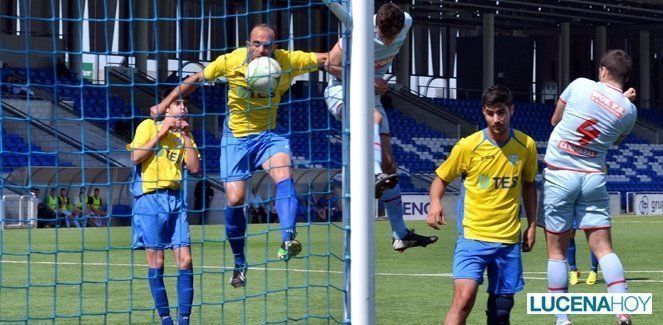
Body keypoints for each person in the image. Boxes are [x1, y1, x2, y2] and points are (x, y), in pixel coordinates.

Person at [151, 23, 328, 288]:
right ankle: (239, 263)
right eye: (257, 43)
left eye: (268, 44)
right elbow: (196, 79)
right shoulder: (231, 61)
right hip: (235, 135)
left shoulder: (287, 61)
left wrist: (350, 49)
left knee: (284, 173)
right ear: (248, 44)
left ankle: (288, 237)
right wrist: (165, 104)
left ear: (275, 45)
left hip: (268, 133)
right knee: (235, 198)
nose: (262, 49)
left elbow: (325, 59)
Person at [324, 3, 438, 252]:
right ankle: (373, 174)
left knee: (390, 166)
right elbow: (330, 66)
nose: (388, 43)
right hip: (341, 91)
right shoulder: (358, 30)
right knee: (372, 118)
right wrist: (367, 79)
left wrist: (372, 84)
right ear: (376, 26)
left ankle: (401, 234)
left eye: (393, 37)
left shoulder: (406, 20)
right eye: (384, 36)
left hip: (371, 92)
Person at [539, 49, 637, 325]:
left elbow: (555, 120)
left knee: (557, 251)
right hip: (593, 176)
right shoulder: (629, 110)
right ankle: (622, 311)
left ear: (604, 70)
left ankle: (562, 319)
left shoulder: (580, 85)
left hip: (560, 174)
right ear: (626, 77)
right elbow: (614, 141)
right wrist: (622, 102)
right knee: (604, 248)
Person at [427, 85, 538, 325]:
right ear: (483, 113)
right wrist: (435, 202)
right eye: (490, 113)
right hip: (473, 237)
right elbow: (441, 179)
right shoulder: (468, 146)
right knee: (464, 299)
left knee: (501, 312)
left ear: (512, 110)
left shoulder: (526, 145)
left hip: (508, 240)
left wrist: (531, 225)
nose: (496, 119)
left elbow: (529, 185)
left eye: (501, 112)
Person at [127, 98, 200, 325]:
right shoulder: (148, 126)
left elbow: (195, 168)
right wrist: (162, 132)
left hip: (175, 200)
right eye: (178, 104)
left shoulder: (184, 137)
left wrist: (186, 136)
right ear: (167, 108)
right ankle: (166, 319)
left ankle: (184, 320)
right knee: (157, 263)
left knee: (186, 260)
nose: (183, 108)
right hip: (149, 200)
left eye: (186, 105)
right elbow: (136, 157)